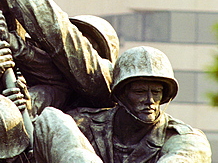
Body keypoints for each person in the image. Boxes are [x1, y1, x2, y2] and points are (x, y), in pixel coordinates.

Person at [67, 46, 212, 162]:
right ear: (121, 94)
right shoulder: (84, 123)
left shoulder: (182, 137)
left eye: (156, 92)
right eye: (140, 92)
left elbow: (185, 155)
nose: (150, 100)